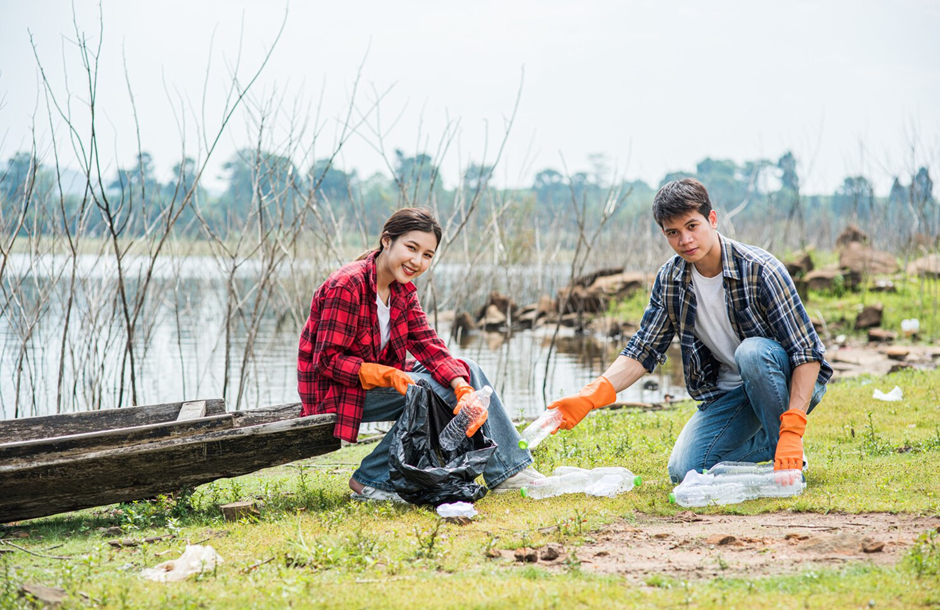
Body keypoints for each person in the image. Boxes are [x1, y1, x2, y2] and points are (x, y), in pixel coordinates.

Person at [548, 178, 831, 483]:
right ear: (664, 234)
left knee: (752, 352)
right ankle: (774, 449)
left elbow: (807, 353)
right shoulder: (670, 279)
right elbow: (644, 349)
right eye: (673, 232)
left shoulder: (761, 269)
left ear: (712, 219)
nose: (685, 240)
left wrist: (792, 428)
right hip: (730, 395)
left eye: (692, 226)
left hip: (783, 381)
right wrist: (592, 395)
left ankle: (788, 451)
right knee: (684, 470)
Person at [298, 207, 542, 501]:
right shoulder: (348, 283)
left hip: (372, 387)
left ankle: (511, 470)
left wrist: (462, 388)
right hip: (336, 393)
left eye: (427, 255)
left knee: (468, 369)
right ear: (387, 241)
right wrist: (388, 375)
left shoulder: (403, 291)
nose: (417, 261)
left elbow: (430, 346)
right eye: (411, 248)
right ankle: (371, 479)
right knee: (427, 391)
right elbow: (327, 360)